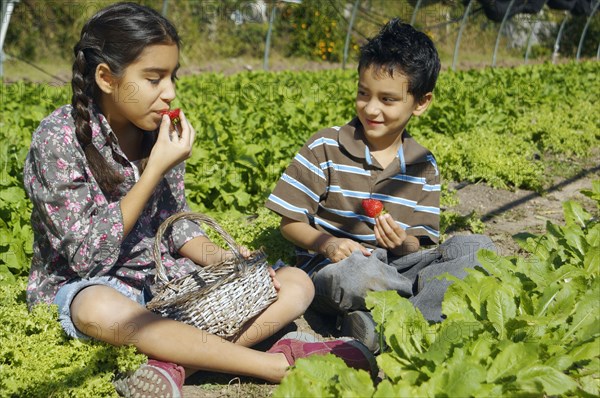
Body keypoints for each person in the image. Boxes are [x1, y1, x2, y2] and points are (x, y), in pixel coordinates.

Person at [23, 3, 376, 397]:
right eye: (153, 78)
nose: (169, 93)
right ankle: (274, 364)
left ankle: (175, 365)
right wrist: (153, 169)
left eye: (172, 77)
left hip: (163, 284)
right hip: (93, 288)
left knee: (294, 284)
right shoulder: (58, 139)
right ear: (106, 78)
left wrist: (229, 262)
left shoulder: (160, 130)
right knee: (97, 310)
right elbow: (87, 257)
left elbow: (177, 226)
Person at [266, 19, 496, 353]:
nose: (371, 108)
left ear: (421, 103)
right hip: (335, 268)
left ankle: (379, 321)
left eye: (388, 100)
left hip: (394, 266)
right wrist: (329, 244)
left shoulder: (422, 164)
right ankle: (416, 311)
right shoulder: (325, 147)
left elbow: (417, 244)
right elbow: (290, 223)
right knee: (359, 274)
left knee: (476, 249)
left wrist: (403, 241)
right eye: (363, 93)